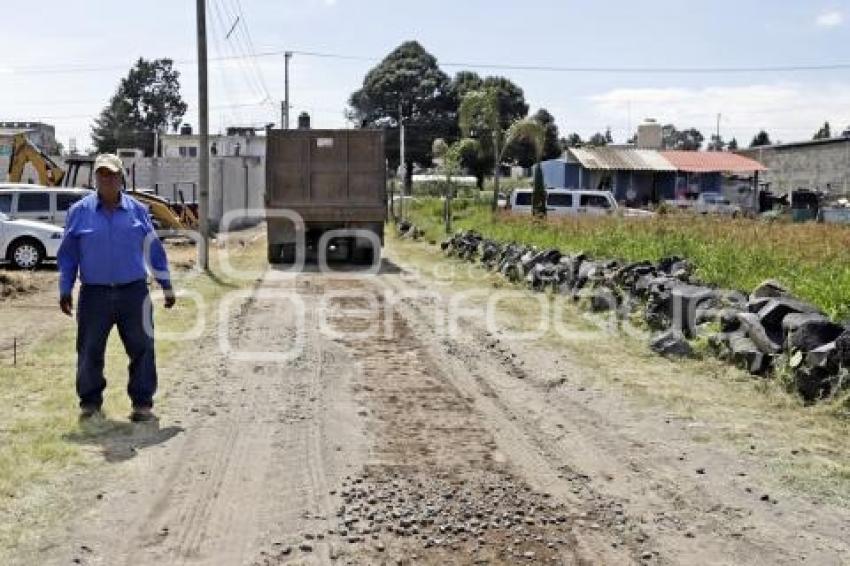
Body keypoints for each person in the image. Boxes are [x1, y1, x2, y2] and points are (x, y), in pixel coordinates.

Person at [57, 153, 176, 422]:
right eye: (102, 174)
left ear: (122, 177)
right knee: (89, 350)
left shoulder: (138, 211)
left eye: (112, 174)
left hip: (133, 293)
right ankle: (90, 404)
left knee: (143, 347)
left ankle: (142, 403)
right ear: (95, 178)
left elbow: (153, 250)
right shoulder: (79, 212)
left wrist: (166, 284)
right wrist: (65, 289)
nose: (107, 179)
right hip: (94, 295)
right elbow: (68, 255)